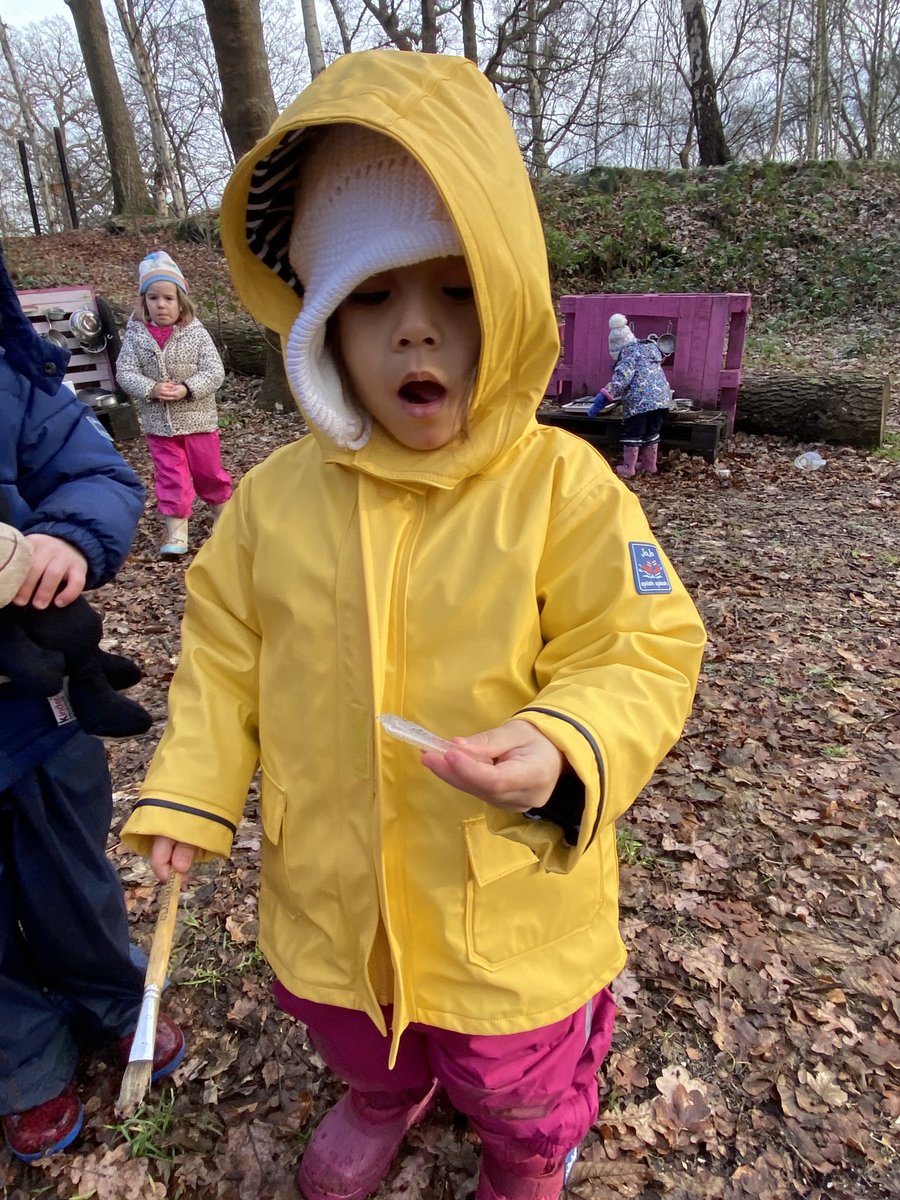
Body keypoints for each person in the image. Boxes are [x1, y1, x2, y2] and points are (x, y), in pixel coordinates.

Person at [121, 51, 706, 1200]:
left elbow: (638, 644)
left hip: (502, 908)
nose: (416, 335)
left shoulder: (563, 492)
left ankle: (534, 1144)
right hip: (329, 895)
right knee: (346, 1024)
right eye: (373, 299)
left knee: (513, 1071)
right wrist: (191, 788)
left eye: (454, 292)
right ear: (321, 329)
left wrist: (564, 741)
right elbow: (224, 658)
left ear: (511, 305)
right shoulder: (278, 503)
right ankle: (386, 1093)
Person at [0, 244, 185, 1163]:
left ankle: (113, 998)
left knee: (74, 874)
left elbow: (100, 474)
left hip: (36, 706)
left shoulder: (10, 381)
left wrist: (67, 537)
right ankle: (25, 1061)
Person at [115, 250, 232, 559]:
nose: (161, 305)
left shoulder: (195, 332)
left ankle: (224, 511)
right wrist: (151, 388)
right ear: (144, 302)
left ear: (181, 301)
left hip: (199, 422)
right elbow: (125, 372)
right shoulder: (136, 335)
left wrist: (187, 388)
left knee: (208, 472)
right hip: (159, 426)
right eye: (153, 298)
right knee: (171, 476)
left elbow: (214, 371)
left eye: (168, 298)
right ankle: (176, 528)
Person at [588, 313, 672, 477]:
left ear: (617, 349)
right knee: (651, 432)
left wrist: (604, 396)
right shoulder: (650, 349)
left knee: (633, 433)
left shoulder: (628, 355)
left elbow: (621, 379)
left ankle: (628, 467)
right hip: (661, 400)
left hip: (640, 403)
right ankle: (649, 465)